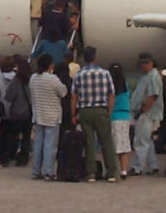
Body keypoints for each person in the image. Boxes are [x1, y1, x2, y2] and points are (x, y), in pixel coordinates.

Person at [71, 46, 118, 183]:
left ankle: (91, 173)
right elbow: (111, 93)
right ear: (95, 57)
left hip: (85, 110)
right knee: (106, 141)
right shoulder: (105, 73)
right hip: (101, 109)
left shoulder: (79, 75)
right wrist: (108, 110)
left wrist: (73, 114)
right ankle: (111, 173)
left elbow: (74, 96)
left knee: (89, 142)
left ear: (84, 59)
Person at [30, 54, 67, 180]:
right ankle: (48, 171)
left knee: (38, 144)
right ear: (50, 65)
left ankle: (36, 170)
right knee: (50, 145)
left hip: (38, 114)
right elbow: (63, 92)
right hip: (52, 116)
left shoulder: (33, 78)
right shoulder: (53, 79)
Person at [129, 52, 163, 177]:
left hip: (147, 113)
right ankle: (153, 165)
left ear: (150, 63)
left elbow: (152, 95)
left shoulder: (153, 76)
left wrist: (142, 110)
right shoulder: (146, 76)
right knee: (147, 140)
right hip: (145, 112)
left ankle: (138, 167)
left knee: (140, 141)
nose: (142, 66)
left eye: (144, 63)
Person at [2, 57, 33, 167]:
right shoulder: (31, 80)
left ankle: (8, 156)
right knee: (26, 137)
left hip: (16, 112)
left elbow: (8, 96)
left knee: (12, 136)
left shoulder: (16, 81)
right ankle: (23, 159)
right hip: (28, 113)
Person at [108, 63, 131, 179]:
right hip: (125, 116)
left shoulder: (110, 86)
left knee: (112, 145)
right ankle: (123, 170)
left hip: (113, 116)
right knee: (124, 144)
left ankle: (113, 169)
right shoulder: (125, 86)